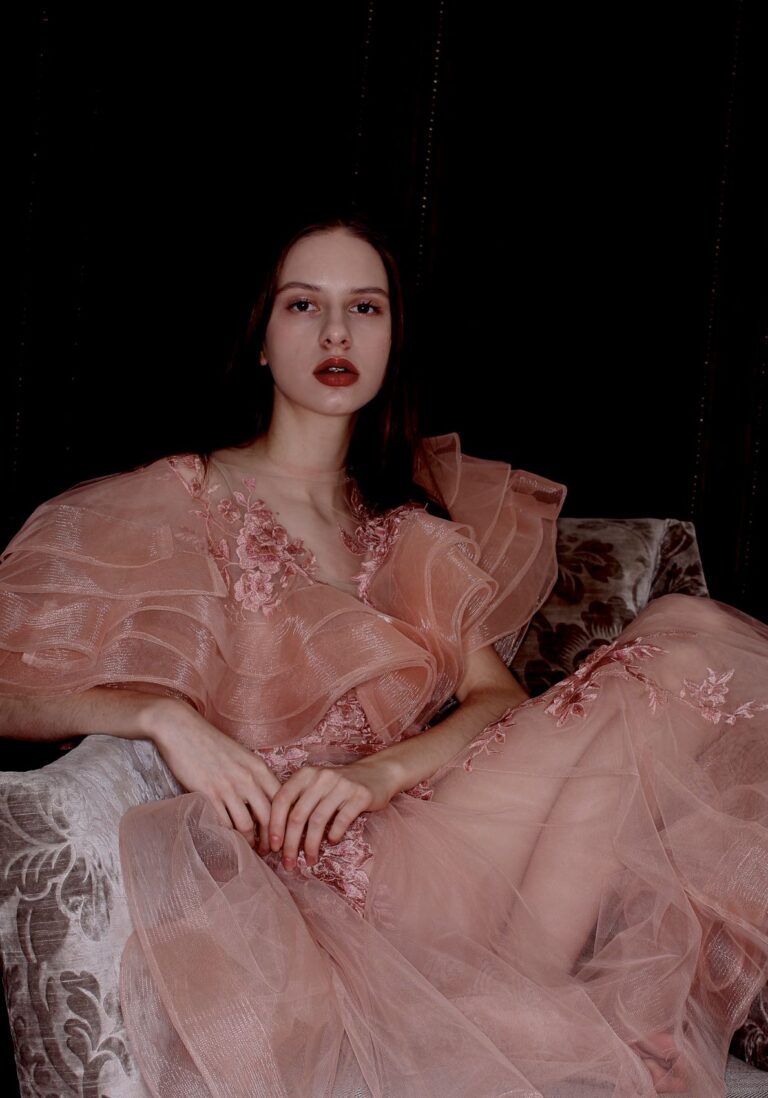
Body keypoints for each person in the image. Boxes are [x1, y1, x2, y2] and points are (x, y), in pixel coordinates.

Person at [1, 214, 767, 1098]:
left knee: (686, 640)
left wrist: (381, 775)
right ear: (261, 339)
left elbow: (497, 700)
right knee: (680, 647)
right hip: (296, 884)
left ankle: (534, 1006)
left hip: (424, 843)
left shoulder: (403, 530)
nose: (336, 333)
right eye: (304, 305)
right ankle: (541, 1018)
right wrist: (160, 716)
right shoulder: (183, 496)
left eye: (364, 308)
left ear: (392, 340)